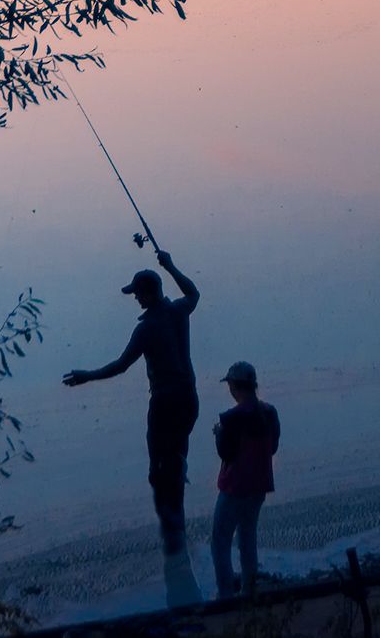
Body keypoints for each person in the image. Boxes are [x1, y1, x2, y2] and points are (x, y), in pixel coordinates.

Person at [62, 250, 201, 564]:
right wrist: (171, 264)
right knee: (177, 460)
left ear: (150, 293)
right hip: (189, 398)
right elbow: (193, 292)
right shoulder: (180, 310)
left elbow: (122, 366)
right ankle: (177, 526)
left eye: (138, 293)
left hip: (165, 401)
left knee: (158, 471)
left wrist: (88, 376)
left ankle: (173, 537)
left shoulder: (147, 328)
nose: (135, 299)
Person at [209, 360, 279, 600]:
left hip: (234, 487)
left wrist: (219, 434)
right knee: (248, 538)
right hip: (259, 486)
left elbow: (225, 453)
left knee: (220, 541)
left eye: (230, 385)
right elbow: (273, 448)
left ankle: (225, 594)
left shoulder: (231, 418)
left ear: (235, 387)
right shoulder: (270, 412)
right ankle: (250, 590)